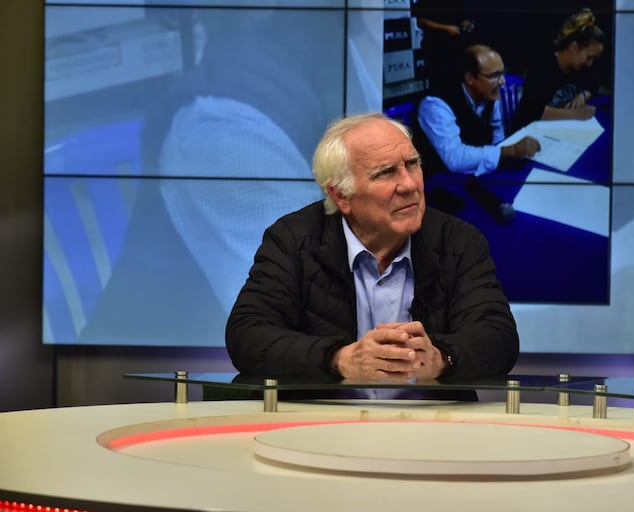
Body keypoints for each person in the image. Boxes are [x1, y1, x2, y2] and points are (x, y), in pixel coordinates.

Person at [226, 113, 519, 388]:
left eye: (412, 164)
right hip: (325, 420)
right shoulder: (294, 240)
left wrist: (441, 359)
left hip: (430, 419)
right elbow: (248, 334)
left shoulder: (458, 241)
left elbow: (499, 337)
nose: (409, 184)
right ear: (341, 195)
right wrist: (339, 359)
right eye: (386, 173)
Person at [413, 44, 540, 221]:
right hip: (441, 188)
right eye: (494, 75)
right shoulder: (435, 104)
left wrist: (505, 153)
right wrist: (507, 151)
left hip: (477, 179)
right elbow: (455, 159)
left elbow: (497, 138)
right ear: (470, 78)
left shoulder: (489, 94)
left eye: (502, 73)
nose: (502, 81)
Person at [512, 8, 606, 132]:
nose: (590, 63)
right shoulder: (543, 67)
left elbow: (593, 84)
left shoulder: (579, 68)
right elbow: (533, 111)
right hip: (527, 133)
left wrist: (583, 95)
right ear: (574, 47)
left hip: (556, 130)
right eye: (589, 57)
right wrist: (574, 114)